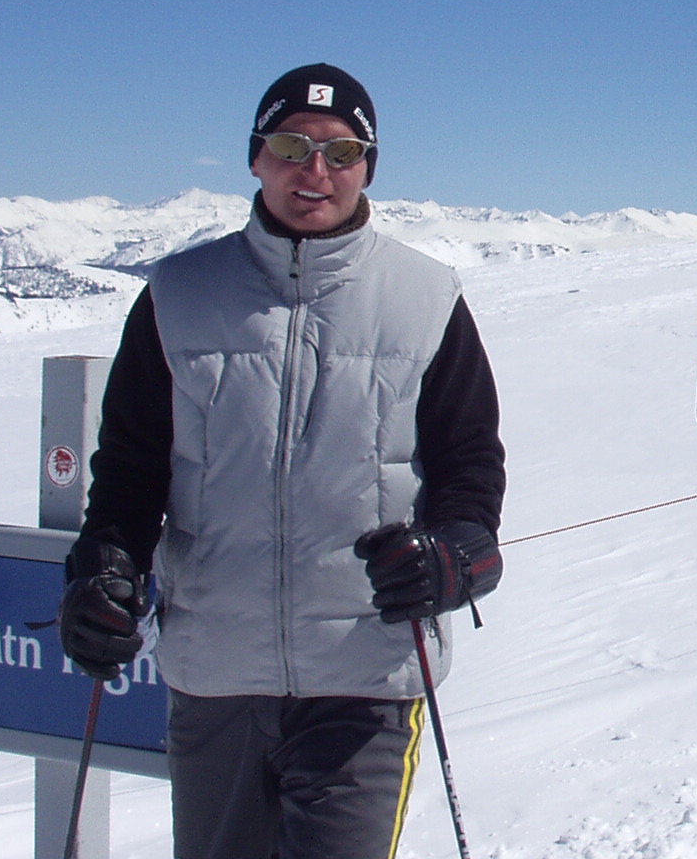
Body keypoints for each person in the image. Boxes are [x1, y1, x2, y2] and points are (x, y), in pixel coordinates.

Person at [56, 64, 507, 859]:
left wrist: (457, 558)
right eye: (292, 146)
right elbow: (129, 469)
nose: (315, 171)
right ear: (256, 158)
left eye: (342, 151)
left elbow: (468, 466)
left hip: (367, 679)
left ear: (370, 166)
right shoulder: (178, 294)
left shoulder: (427, 298)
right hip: (217, 676)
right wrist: (104, 569)